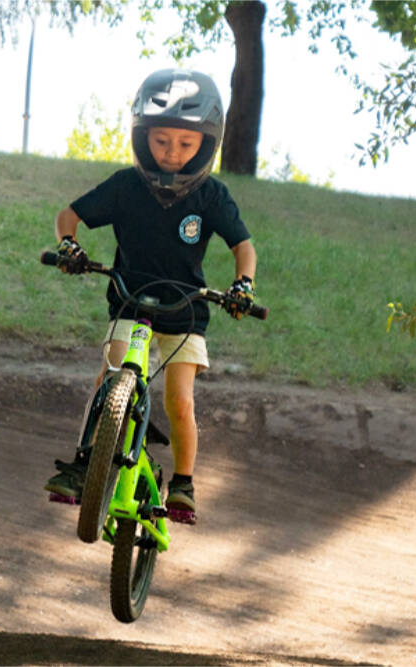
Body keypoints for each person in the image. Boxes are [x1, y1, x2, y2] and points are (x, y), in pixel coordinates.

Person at [43, 68, 258, 523]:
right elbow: (69, 215)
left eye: (186, 143)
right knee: (110, 378)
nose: (173, 152)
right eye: (162, 141)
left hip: (185, 314)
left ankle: (183, 482)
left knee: (178, 400)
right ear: (142, 137)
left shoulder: (211, 196)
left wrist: (243, 285)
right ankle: (84, 466)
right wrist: (69, 245)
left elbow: (243, 247)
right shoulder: (126, 186)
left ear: (207, 143)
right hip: (130, 301)